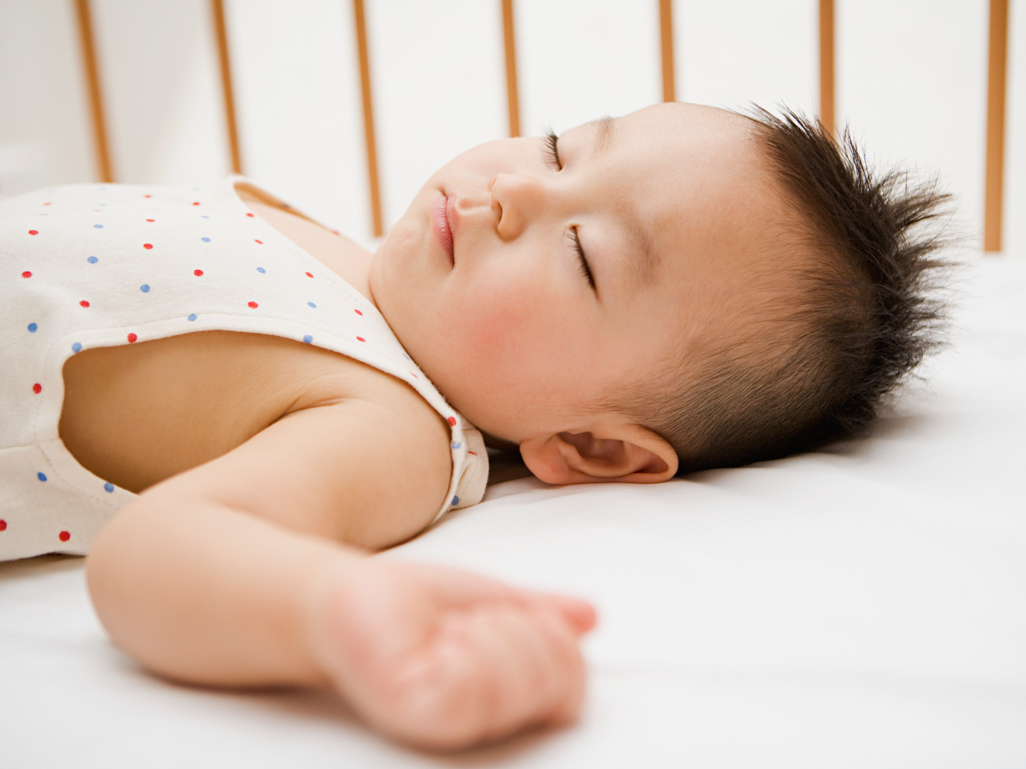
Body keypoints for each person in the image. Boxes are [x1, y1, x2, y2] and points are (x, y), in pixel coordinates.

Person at [0, 102, 949, 750]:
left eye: (584, 256)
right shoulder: (341, 249)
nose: (516, 194)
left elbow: (157, 554)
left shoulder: (388, 422)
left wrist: (326, 610)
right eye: (559, 150)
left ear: (596, 447)